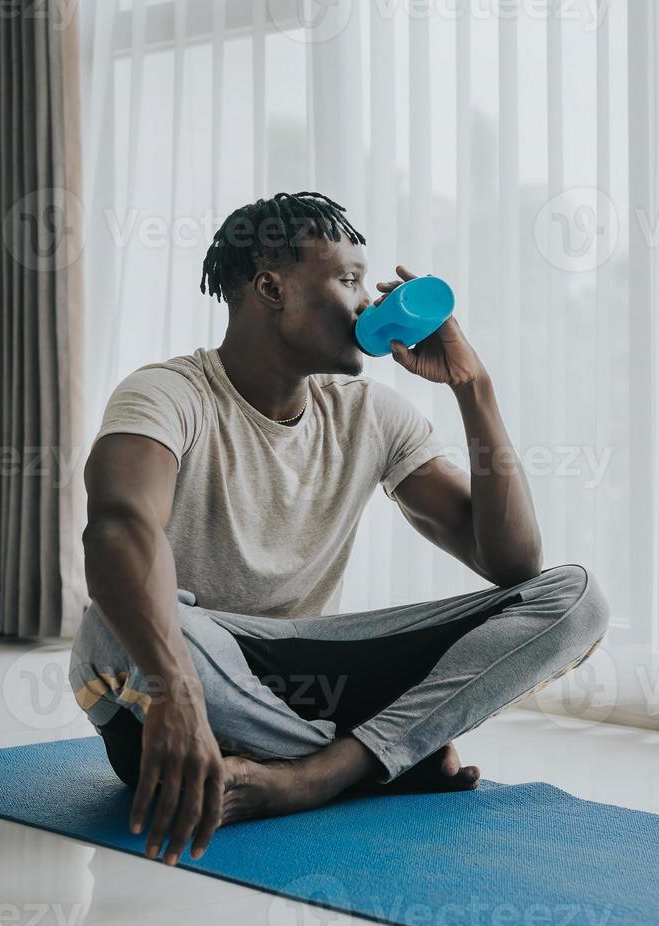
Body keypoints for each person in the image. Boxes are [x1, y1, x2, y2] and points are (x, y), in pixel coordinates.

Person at [68, 191, 609, 867]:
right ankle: (382, 759)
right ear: (271, 288)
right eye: (349, 279)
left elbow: (511, 563)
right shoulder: (167, 394)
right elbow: (117, 530)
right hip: (176, 687)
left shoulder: (369, 414)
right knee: (108, 625)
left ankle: (315, 777)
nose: (367, 304)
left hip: (305, 674)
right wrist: (175, 689)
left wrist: (473, 387)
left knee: (576, 597)